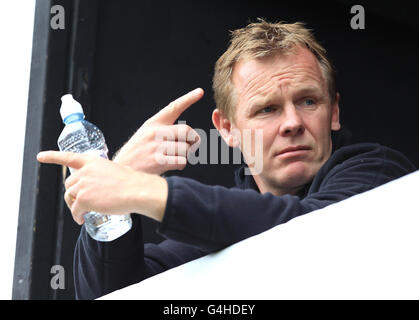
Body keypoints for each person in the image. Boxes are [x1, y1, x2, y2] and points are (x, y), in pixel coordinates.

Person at [37, 20, 416, 300]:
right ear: (228, 129)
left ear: (333, 111)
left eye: (308, 101)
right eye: (267, 109)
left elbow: (309, 229)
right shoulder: (215, 230)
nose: (292, 123)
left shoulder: (377, 173)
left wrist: (145, 190)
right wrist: (115, 197)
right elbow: (110, 292)